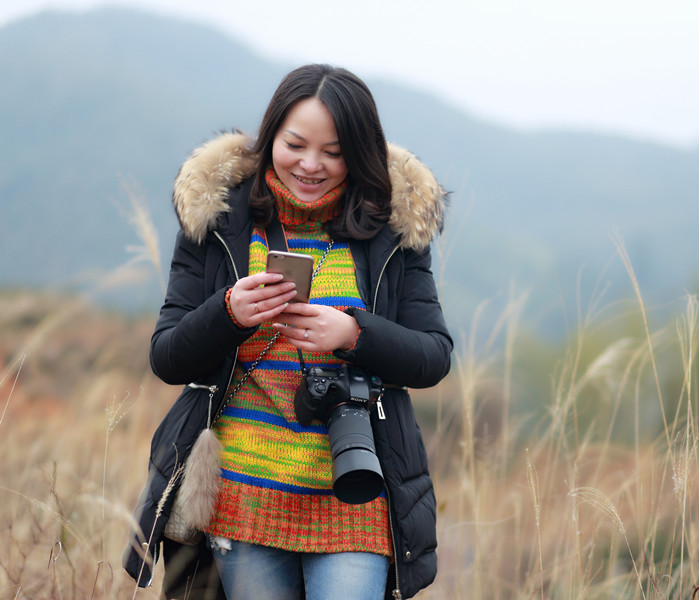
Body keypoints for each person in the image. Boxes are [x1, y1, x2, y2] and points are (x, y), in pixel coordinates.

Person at [123, 64, 453, 600]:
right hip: (243, 493)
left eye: (334, 151)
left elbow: (433, 356)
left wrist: (353, 333)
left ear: (360, 153)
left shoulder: (390, 229)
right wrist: (228, 311)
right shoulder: (221, 223)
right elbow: (167, 357)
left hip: (353, 490)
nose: (311, 164)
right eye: (295, 143)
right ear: (271, 134)